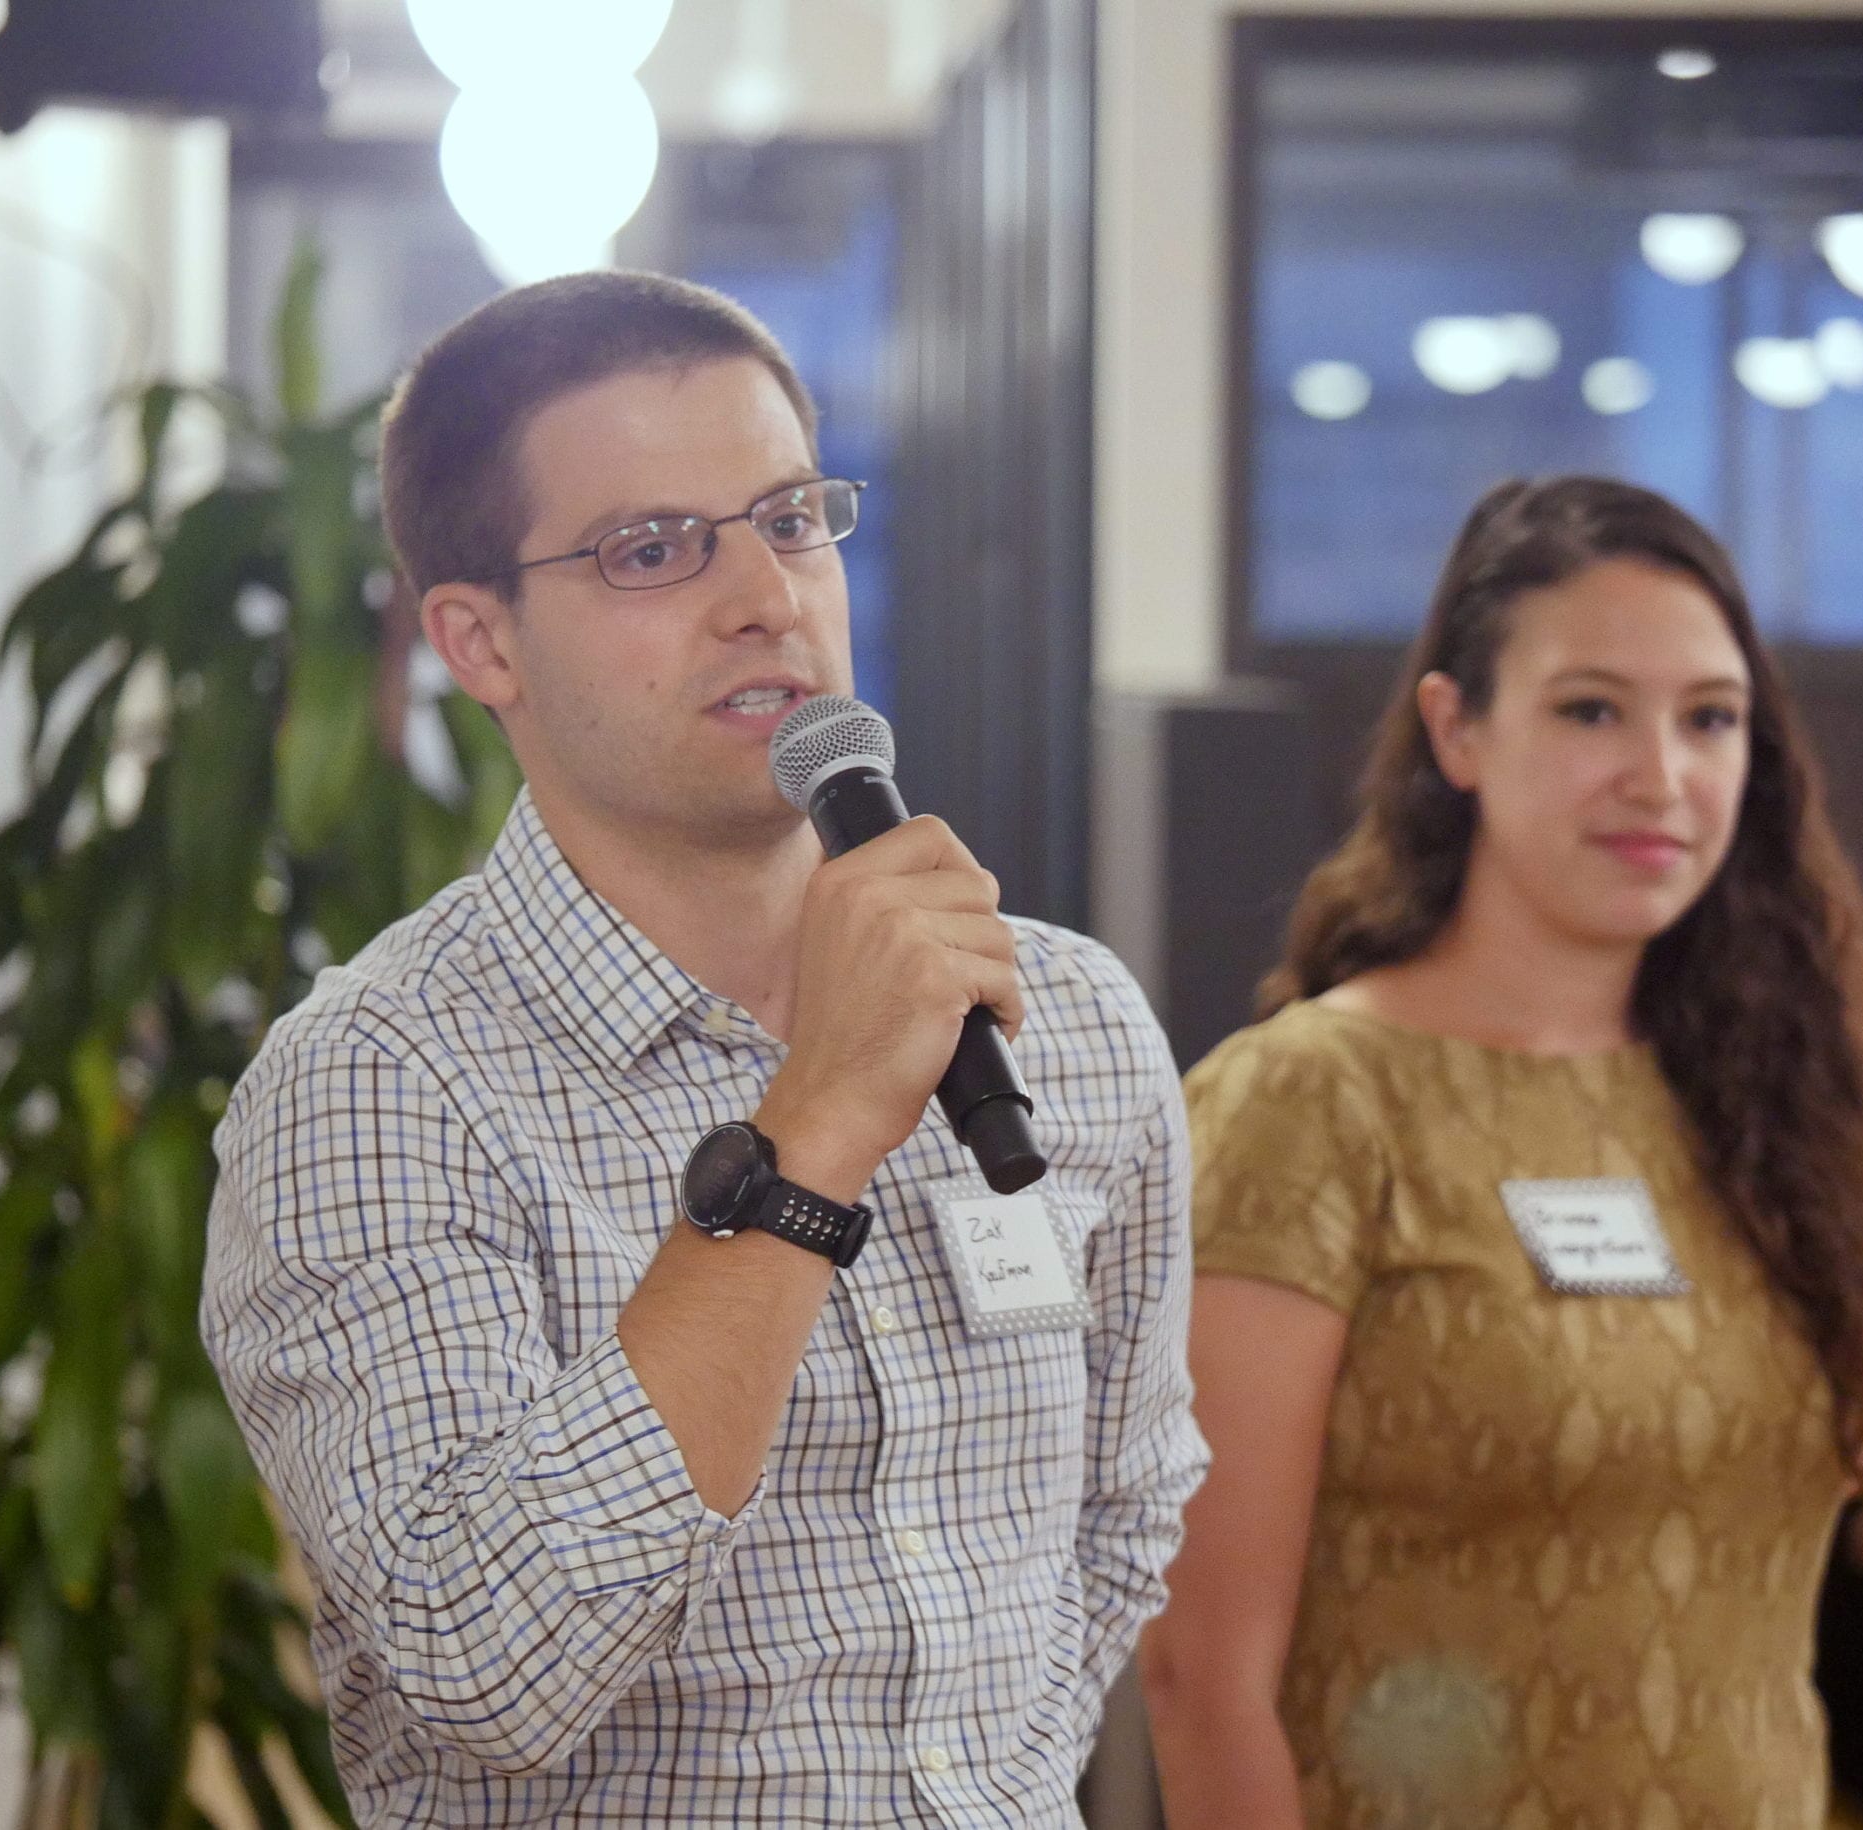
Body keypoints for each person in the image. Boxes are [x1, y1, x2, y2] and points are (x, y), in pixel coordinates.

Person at [200, 270, 1206, 1825]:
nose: (766, 596)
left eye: (791, 519)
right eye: (653, 550)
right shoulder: (377, 1086)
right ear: (481, 642)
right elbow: (489, 1661)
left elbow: (1121, 1515)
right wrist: (809, 1136)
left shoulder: (1061, 1012)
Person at [1139, 477, 1863, 1830]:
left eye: (1710, 718)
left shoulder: (1755, 1087)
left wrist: (1822, 1115)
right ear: (1456, 731)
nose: (1662, 775)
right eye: (1592, 709)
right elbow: (1196, 1677)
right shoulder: (1309, 1102)